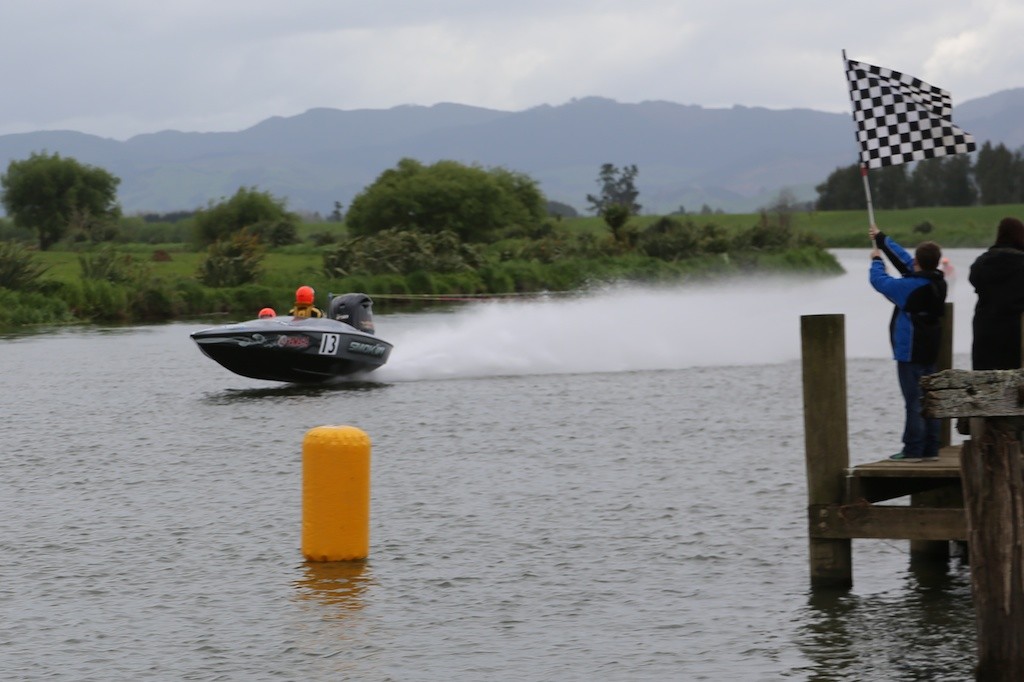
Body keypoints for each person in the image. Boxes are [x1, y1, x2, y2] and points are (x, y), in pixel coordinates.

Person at [868, 225, 947, 461]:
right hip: (929, 352)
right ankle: (931, 448)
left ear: (919, 263)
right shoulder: (937, 281)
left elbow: (881, 283)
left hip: (910, 352)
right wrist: (882, 240)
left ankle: (912, 449)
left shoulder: (911, 288)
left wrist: (876, 261)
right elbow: (906, 262)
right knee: (929, 399)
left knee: (913, 402)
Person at [968, 217, 1024, 370]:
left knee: (984, 383)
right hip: (1016, 332)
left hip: (985, 330)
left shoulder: (981, 263)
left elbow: (973, 279)